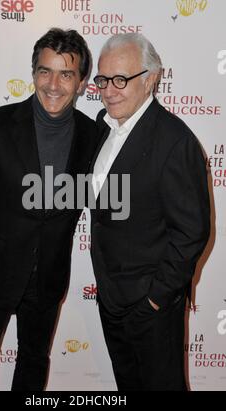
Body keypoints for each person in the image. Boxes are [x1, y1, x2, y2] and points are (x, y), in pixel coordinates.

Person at [0, 28, 97, 391]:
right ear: (33, 74)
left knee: (33, 358)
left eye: (66, 74)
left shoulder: (93, 137)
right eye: (45, 71)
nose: (53, 84)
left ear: (81, 83)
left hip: (48, 274)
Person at [90, 33, 210, 391]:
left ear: (151, 78)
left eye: (121, 80)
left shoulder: (176, 141)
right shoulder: (103, 125)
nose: (109, 90)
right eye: (103, 79)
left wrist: (156, 299)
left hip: (151, 305)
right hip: (110, 298)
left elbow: (192, 233)